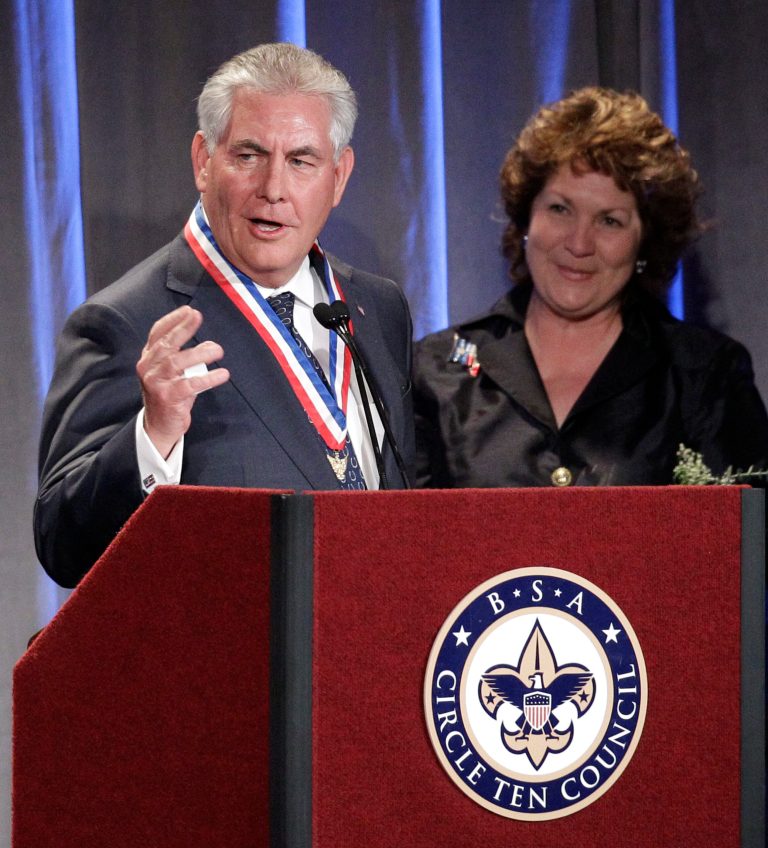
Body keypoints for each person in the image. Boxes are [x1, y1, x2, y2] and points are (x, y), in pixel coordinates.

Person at [35, 43, 414, 588]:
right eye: (248, 156)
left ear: (339, 175)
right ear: (203, 161)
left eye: (301, 160)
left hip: (369, 653)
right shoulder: (125, 321)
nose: (273, 189)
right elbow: (62, 545)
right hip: (228, 664)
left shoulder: (377, 309)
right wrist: (153, 433)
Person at [413, 86, 768, 489]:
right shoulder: (439, 370)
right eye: (560, 209)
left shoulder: (702, 375)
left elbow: (743, 539)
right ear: (526, 219)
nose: (579, 244)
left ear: (645, 243)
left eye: (610, 221)